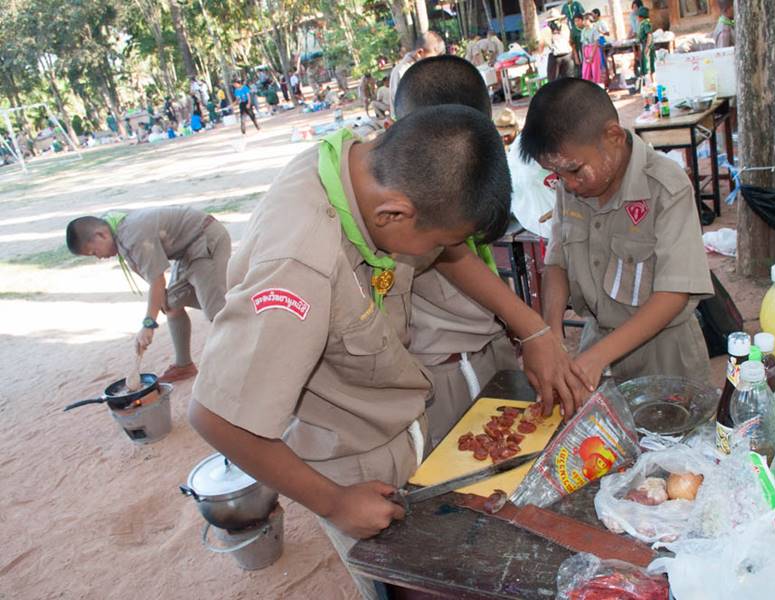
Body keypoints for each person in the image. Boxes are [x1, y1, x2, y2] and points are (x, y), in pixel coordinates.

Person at [188, 104, 589, 600]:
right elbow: (216, 416)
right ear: (394, 214)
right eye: (441, 240)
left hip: (403, 428)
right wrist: (334, 502)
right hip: (351, 464)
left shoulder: (368, 163)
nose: (444, 250)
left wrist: (533, 330)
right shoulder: (299, 266)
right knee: (407, 586)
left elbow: (447, 247)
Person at [520, 78, 713, 386]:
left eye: (574, 170)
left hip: (665, 354)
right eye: (557, 174)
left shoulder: (666, 187)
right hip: (597, 342)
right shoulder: (571, 187)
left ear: (613, 136)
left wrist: (598, 358)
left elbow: (673, 294)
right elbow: (557, 262)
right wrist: (552, 330)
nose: (568, 183)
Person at [392, 55, 521, 447]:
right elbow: (453, 256)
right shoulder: (398, 194)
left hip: (488, 348)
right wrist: (531, 327)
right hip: (447, 372)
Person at [66, 207, 232, 383]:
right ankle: (184, 365)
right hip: (187, 249)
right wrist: (161, 298)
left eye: (93, 252)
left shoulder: (131, 234)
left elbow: (157, 281)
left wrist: (148, 325)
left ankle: (240, 356)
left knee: (218, 312)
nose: (98, 257)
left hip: (204, 237)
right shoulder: (116, 229)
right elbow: (142, 268)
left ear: (101, 235)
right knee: (170, 304)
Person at [388, 31, 447, 118]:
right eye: (432, 60)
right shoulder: (405, 72)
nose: (434, 64)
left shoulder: (417, 67)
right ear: (419, 53)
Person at [540, 9, 576, 81]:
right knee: (569, 80)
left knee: (553, 81)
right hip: (567, 55)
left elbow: (541, 45)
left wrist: (541, 55)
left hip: (555, 57)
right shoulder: (565, 27)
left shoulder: (545, 30)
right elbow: (568, 39)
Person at [636, 6, 655, 89]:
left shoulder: (646, 24)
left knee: (649, 65)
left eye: (638, 16)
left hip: (647, 45)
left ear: (641, 16)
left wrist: (647, 47)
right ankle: (648, 84)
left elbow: (649, 35)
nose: (637, 18)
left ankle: (652, 83)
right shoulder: (643, 24)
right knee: (645, 64)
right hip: (644, 45)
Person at [581, 13, 602, 83]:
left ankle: (597, 85)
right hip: (586, 50)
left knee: (595, 70)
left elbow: (596, 43)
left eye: (585, 20)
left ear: (590, 20)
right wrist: (584, 55)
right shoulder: (583, 31)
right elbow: (583, 44)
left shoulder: (594, 30)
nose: (584, 21)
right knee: (585, 71)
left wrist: (591, 55)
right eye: (583, 20)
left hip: (593, 50)